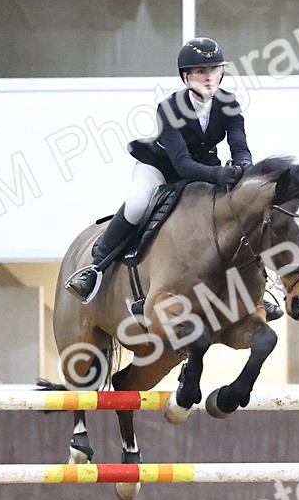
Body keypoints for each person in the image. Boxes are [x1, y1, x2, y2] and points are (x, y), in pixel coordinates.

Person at [65, 37, 277, 317]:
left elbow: (239, 146)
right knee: (138, 204)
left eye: (215, 70)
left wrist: (243, 169)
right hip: (161, 168)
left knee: (237, 211)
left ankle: (257, 288)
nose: (210, 77)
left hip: (205, 170)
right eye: (202, 71)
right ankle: (96, 267)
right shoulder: (169, 108)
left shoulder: (229, 104)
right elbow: (182, 163)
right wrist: (218, 174)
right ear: (186, 76)